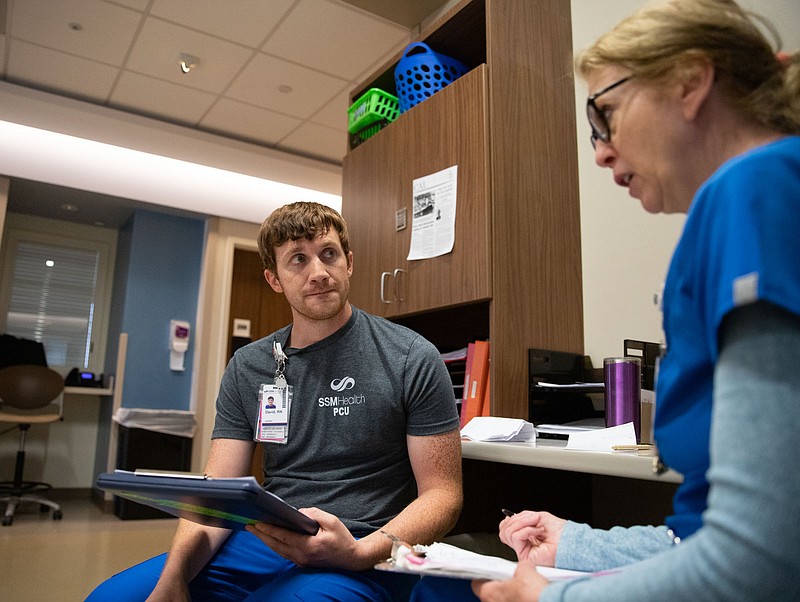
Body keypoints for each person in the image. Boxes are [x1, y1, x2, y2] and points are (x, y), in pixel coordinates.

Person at [411, 0, 800, 600]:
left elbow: (761, 558)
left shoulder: (753, 188)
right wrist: (578, 544)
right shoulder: (754, 195)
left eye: (606, 113)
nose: (600, 152)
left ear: (691, 81)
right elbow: (700, 538)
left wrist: (551, 598)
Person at [88, 202, 463, 601]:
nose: (318, 272)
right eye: (297, 260)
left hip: (368, 546)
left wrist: (359, 553)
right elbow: (218, 492)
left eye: (329, 254)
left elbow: (444, 495)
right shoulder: (249, 367)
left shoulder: (410, 356)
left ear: (349, 262)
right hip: (263, 541)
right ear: (274, 279)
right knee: (113, 597)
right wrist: (175, 577)